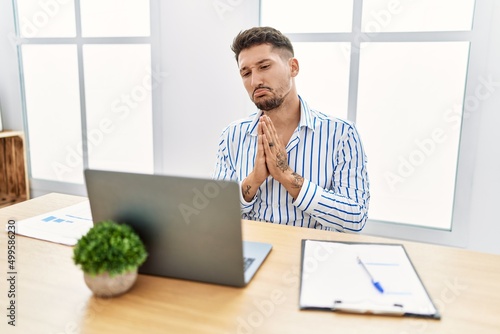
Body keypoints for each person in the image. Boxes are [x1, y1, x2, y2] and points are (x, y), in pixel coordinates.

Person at [212, 26, 370, 232]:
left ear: (293, 67)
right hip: (252, 255)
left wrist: (287, 176)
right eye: (246, 72)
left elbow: (355, 219)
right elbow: (216, 215)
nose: (255, 81)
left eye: (264, 66)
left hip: (311, 258)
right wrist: (253, 180)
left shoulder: (342, 134)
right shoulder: (232, 136)